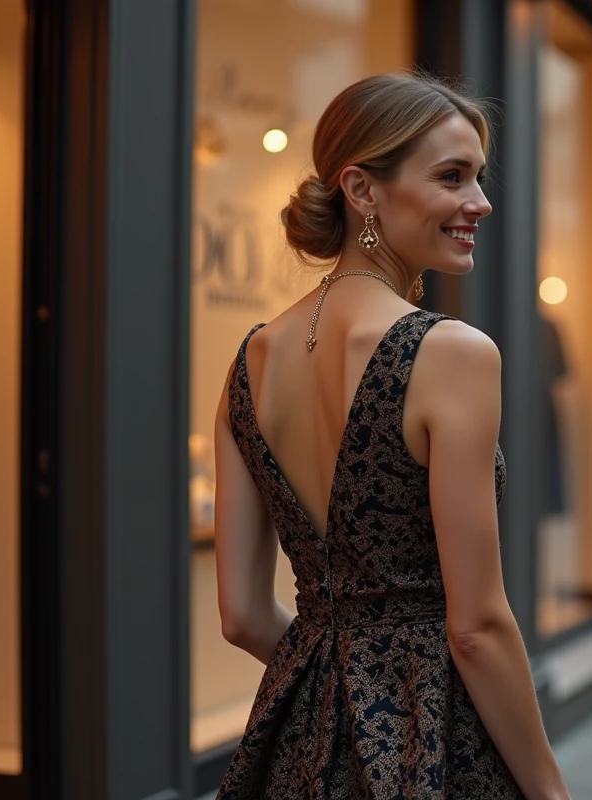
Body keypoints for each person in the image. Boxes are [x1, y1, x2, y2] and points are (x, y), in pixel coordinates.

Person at [211, 73, 568, 799]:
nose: (481, 202)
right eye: (452, 176)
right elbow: (476, 628)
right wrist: (551, 791)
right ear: (362, 190)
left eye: (478, 176)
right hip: (438, 751)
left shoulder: (251, 361)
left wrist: (345, 692)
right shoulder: (451, 353)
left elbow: (243, 617)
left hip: (296, 753)